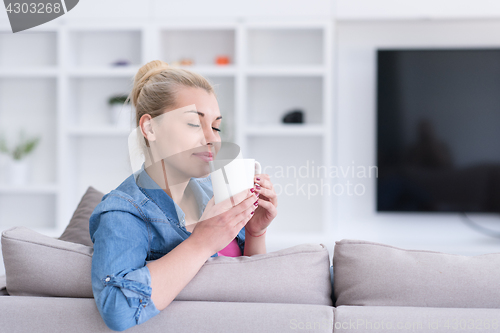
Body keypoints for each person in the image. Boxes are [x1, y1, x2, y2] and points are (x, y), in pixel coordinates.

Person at [89, 60, 278, 331]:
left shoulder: (217, 193)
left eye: (216, 127)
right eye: (193, 123)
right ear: (150, 128)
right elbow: (118, 310)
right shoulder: (123, 213)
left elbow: (255, 293)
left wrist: (256, 233)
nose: (211, 139)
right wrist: (201, 242)